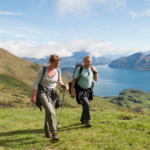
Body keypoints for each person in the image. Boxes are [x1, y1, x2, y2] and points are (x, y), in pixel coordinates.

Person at [31, 54, 68, 142]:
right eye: (55, 63)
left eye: (58, 63)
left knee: (49, 112)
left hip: (53, 93)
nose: (57, 65)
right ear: (50, 62)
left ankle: (47, 131)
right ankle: (54, 133)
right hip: (42, 92)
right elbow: (36, 83)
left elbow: (59, 81)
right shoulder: (43, 70)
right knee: (51, 112)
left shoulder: (58, 70)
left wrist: (63, 85)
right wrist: (33, 96)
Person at [71, 56, 98, 127]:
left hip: (88, 90)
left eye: (90, 62)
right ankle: (88, 120)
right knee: (87, 104)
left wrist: (95, 71)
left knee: (85, 105)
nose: (89, 63)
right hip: (80, 89)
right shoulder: (79, 69)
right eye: (88, 61)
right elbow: (73, 80)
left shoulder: (92, 68)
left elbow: (96, 79)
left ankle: (82, 118)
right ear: (84, 62)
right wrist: (72, 92)